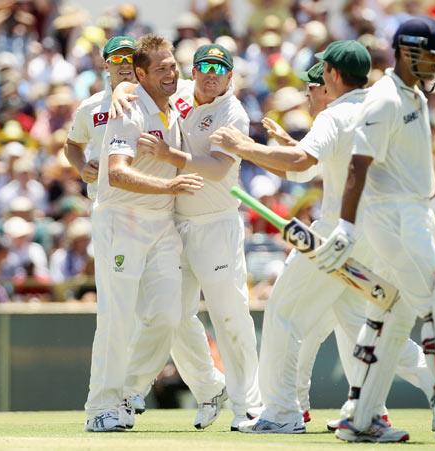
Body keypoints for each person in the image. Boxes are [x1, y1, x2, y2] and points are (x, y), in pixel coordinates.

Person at [210, 40, 434, 435]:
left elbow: (302, 163)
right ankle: (381, 411)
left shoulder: (335, 114)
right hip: (379, 234)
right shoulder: (385, 107)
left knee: (283, 313)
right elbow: (320, 164)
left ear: (331, 74)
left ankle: (281, 414)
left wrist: (244, 147)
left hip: (337, 233)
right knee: (358, 324)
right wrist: (286, 145)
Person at [313, 17, 435, 443]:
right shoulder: (383, 100)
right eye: (432, 55)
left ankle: (359, 418)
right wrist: (345, 225)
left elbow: (420, 173)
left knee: (393, 313)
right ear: (408, 51)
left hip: (411, 215)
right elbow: (357, 168)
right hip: (393, 220)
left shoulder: (413, 95)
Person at [114, 43, 262, 431]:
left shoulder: (233, 113)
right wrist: (118, 90)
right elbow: (138, 87)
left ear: (230, 76)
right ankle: (210, 387)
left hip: (216, 223)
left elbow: (216, 169)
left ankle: (249, 405)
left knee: (229, 313)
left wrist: (169, 156)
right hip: (176, 222)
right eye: (204, 67)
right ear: (192, 71)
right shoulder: (177, 94)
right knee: (173, 315)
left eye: (220, 69)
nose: (211, 74)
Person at [83, 33, 204, 432]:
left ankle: (128, 391)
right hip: (122, 219)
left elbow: (204, 83)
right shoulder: (128, 109)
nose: (172, 73)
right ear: (142, 73)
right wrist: (169, 186)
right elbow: (116, 173)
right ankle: (101, 407)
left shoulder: (172, 94)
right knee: (116, 318)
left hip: (162, 222)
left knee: (169, 316)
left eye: (174, 65)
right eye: (163, 68)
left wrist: (126, 85)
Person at [65, 35, 137, 201]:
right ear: (106, 64)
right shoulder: (90, 106)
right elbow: (72, 145)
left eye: (131, 58)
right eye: (118, 58)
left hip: (147, 203)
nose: (125, 63)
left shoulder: (156, 101)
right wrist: (82, 168)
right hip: (105, 200)